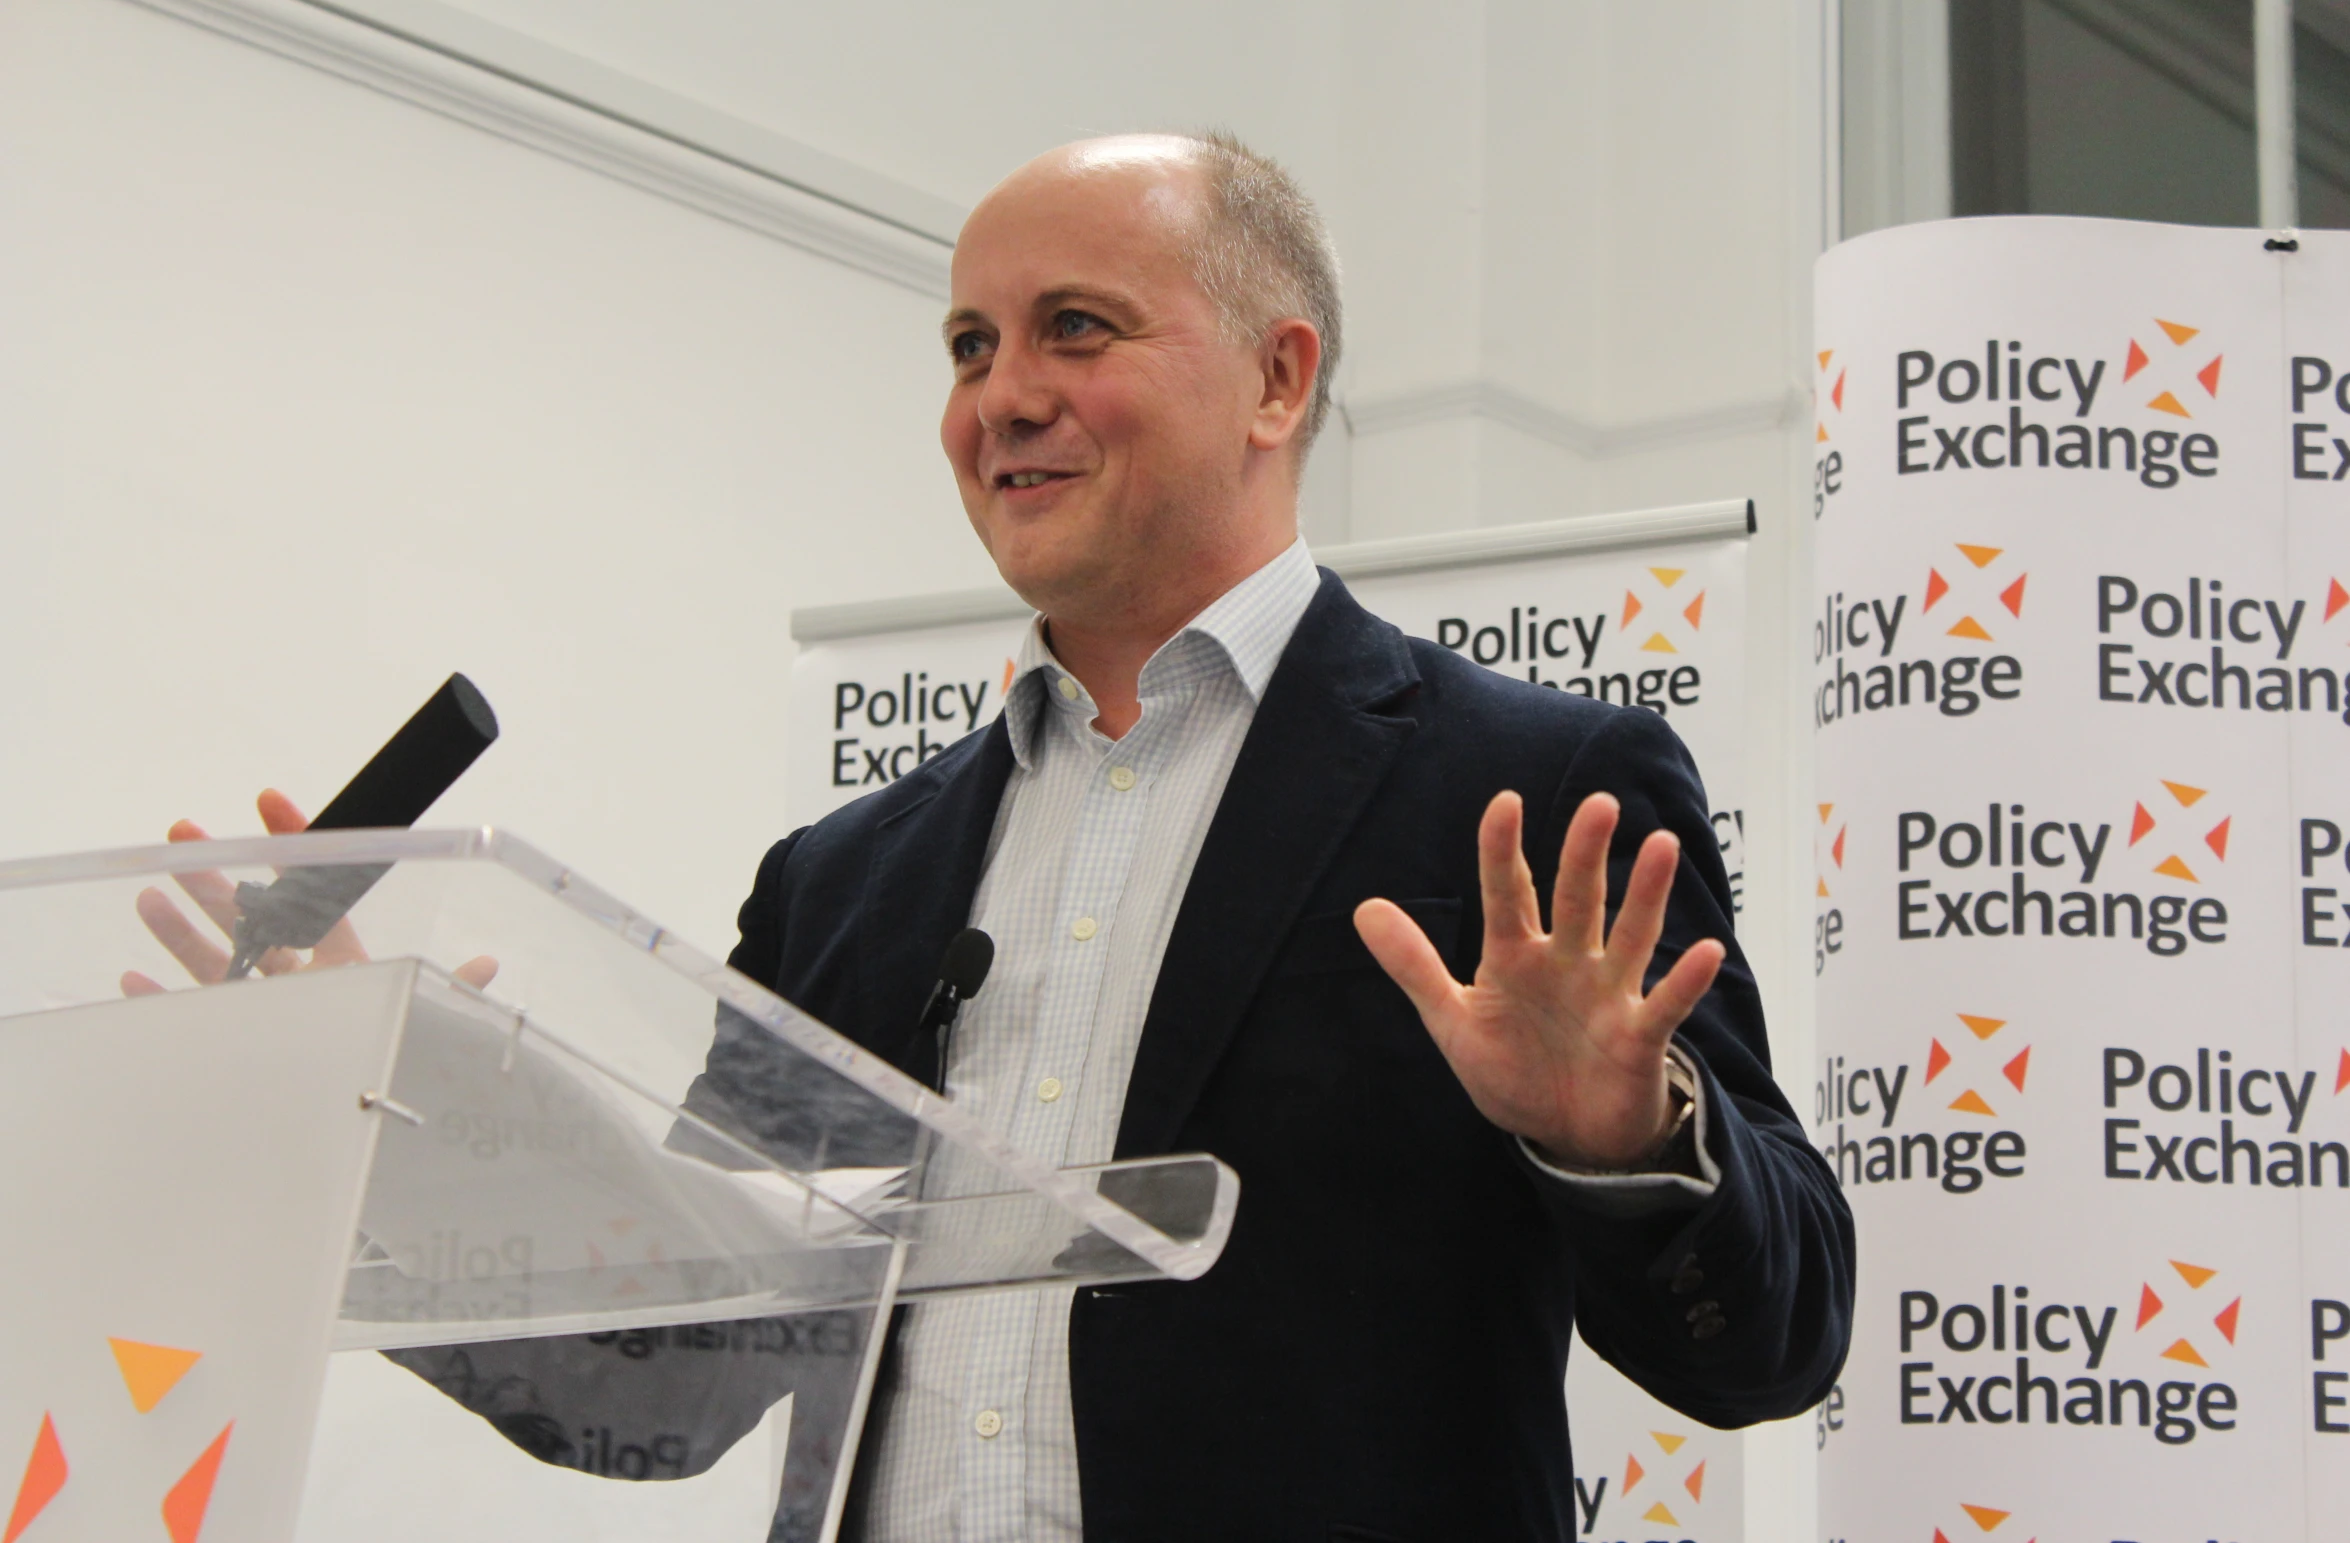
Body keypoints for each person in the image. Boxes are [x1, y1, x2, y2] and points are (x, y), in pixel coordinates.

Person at [142, 132, 1851, 1542]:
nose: (1000, 398)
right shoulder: (843, 882)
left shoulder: (1523, 793)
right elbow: (672, 1388)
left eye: (1074, 331)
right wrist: (381, 1124)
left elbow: (1773, 1338)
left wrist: (1623, 1134)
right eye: (968, 348)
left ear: (1276, 377)